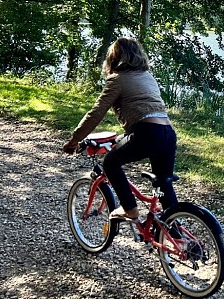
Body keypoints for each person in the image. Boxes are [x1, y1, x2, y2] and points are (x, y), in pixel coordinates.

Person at [63, 37, 177, 220]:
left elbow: (96, 113)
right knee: (163, 183)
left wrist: (74, 140)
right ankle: (178, 234)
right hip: (167, 133)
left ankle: (129, 208)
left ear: (114, 58)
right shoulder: (148, 76)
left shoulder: (117, 79)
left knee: (110, 163)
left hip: (146, 132)